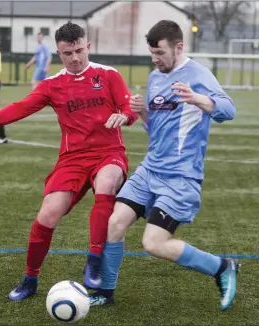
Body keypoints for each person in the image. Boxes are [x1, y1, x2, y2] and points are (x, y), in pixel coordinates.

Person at [0, 22, 139, 301]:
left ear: (88, 47)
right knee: (47, 216)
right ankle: (30, 279)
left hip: (109, 152)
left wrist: (127, 116)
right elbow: (22, 107)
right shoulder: (53, 85)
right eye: (67, 53)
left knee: (107, 183)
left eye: (79, 51)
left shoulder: (108, 75)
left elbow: (126, 106)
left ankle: (94, 260)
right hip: (72, 160)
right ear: (58, 53)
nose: (75, 58)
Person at [89, 20, 240, 311]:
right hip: (150, 169)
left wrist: (198, 99)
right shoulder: (156, 77)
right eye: (152, 54)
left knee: (154, 243)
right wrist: (142, 111)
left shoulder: (198, 74)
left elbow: (229, 110)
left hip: (181, 176)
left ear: (179, 47)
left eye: (160, 53)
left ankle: (222, 267)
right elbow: (155, 129)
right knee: (115, 222)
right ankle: (105, 293)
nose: (155, 59)